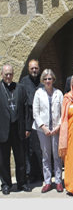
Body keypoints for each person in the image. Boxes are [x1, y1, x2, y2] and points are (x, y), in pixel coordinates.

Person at [0, 64, 32, 195]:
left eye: (10, 74)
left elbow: (27, 109)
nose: (8, 76)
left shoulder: (20, 88)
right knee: (3, 160)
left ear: (13, 74)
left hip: (18, 129)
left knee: (20, 158)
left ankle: (22, 183)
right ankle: (6, 184)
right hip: (2, 130)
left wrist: (28, 127)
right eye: (6, 74)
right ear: (2, 74)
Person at [32, 69, 63, 193]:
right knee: (46, 156)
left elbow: (63, 111)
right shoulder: (38, 93)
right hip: (42, 130)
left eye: (49, 78)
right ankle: (48, 181)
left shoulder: (59, 93)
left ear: (53, 79)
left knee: (57, 156)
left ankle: (59, 181)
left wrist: (58, 126)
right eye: (45, 79)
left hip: (56, 129)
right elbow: (35, 111)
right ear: (42, 80)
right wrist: (43, 127)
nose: (47, 81)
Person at [20, 59, 44, 183]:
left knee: (42, 148)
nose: (34, 70)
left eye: (36, 68)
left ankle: (42, 173)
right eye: (32, 68)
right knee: (30, 149)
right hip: (29, 118)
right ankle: (32, 174)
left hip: (43, 118)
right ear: (28, 69)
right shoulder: (24, 82)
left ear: (39, 68)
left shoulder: (44, 80)